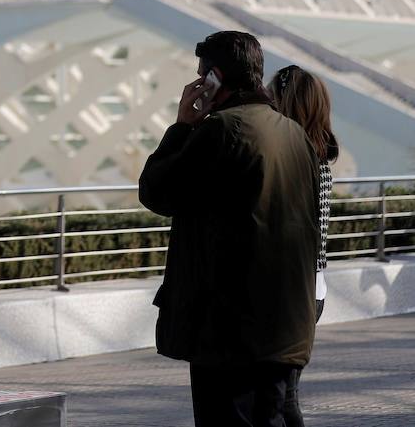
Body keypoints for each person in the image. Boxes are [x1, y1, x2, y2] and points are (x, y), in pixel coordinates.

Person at [139, 31, 319, 427]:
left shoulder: (223, 129)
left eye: (201, 74)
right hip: (284, 326)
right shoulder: (295, 135)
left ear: (215, 77)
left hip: (228, 333)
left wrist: (183, 125)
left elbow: (156, 192)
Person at [268, 65, 340, 427]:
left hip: (289, 290)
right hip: (314, 287)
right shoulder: (320, 156)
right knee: (284, 396)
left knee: (276, 401)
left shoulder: (292, 159)